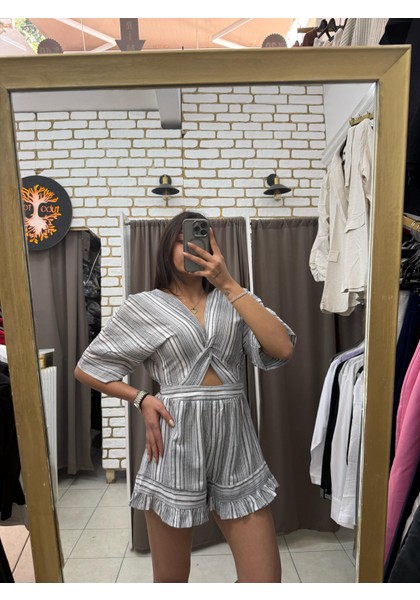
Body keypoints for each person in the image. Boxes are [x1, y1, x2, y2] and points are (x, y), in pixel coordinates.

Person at [75, 210, 296, 583]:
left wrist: (228, 284)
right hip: (174, 442)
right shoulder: (143, 305)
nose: (192, 248)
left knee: (265, 582)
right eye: (182, 241)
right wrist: (141, 398)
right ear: (166, 249)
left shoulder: (235, 299)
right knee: (171, 582)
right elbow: (88, 368)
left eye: (200, 239)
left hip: (235, 444)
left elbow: (283, 349)